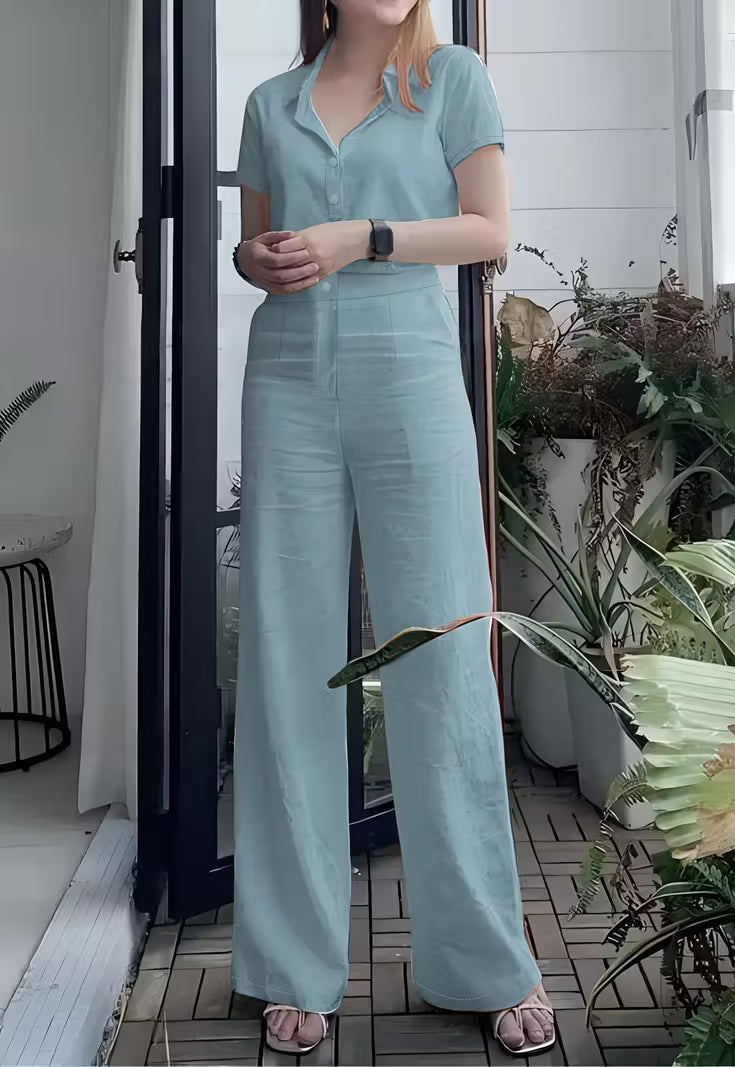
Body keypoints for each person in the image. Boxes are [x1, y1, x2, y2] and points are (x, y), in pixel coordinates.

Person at [232, 0, 555, 1058]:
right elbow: (252, 242)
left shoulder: (451, 78)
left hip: (410, 374)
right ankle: (292, 961)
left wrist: (362, 237)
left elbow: (488, 230)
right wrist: (257, 259)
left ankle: (483, 958)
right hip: (287, 378)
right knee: (288, 661)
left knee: (443, 654)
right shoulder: (270, 103)